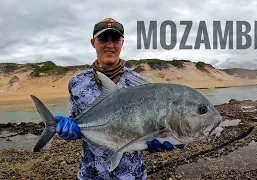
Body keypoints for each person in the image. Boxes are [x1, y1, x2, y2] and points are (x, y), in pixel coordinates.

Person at [54, 18, 184, 180]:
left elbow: (151, 123)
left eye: (115, 39)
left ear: (122, 42)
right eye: (103, 39)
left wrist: (161, 136)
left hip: (131, 175)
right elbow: (76, 121)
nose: (110, 45)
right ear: (93, 42)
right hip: (90, 175)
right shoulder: (77, 83)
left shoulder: (139, 84)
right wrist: (66, 131)